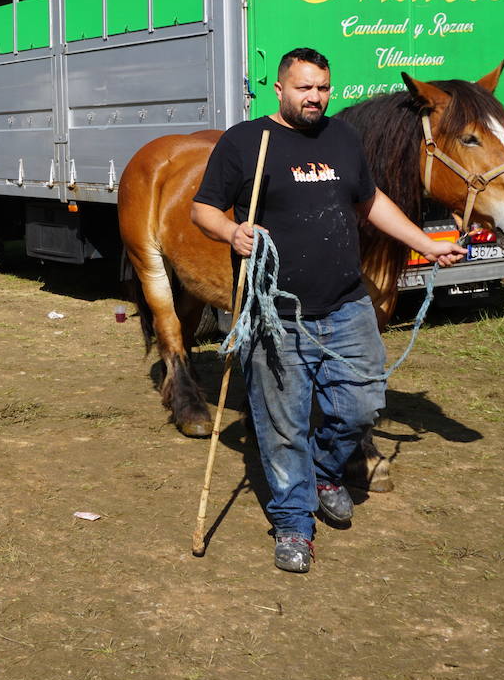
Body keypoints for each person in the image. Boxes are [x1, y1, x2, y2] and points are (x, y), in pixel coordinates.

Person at [190, 47, 465, 574]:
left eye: (322, 87)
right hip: (274, 311)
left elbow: (369, 201)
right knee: (282, 424)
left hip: (346, 303)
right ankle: (294, 522)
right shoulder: (247, 141)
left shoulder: (341, 137)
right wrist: (231, 231)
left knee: (363, 405)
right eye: (304, 88)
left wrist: (425, 243)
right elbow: (203, 208)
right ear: (280, 88)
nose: (315, 97)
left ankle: (324, 471)